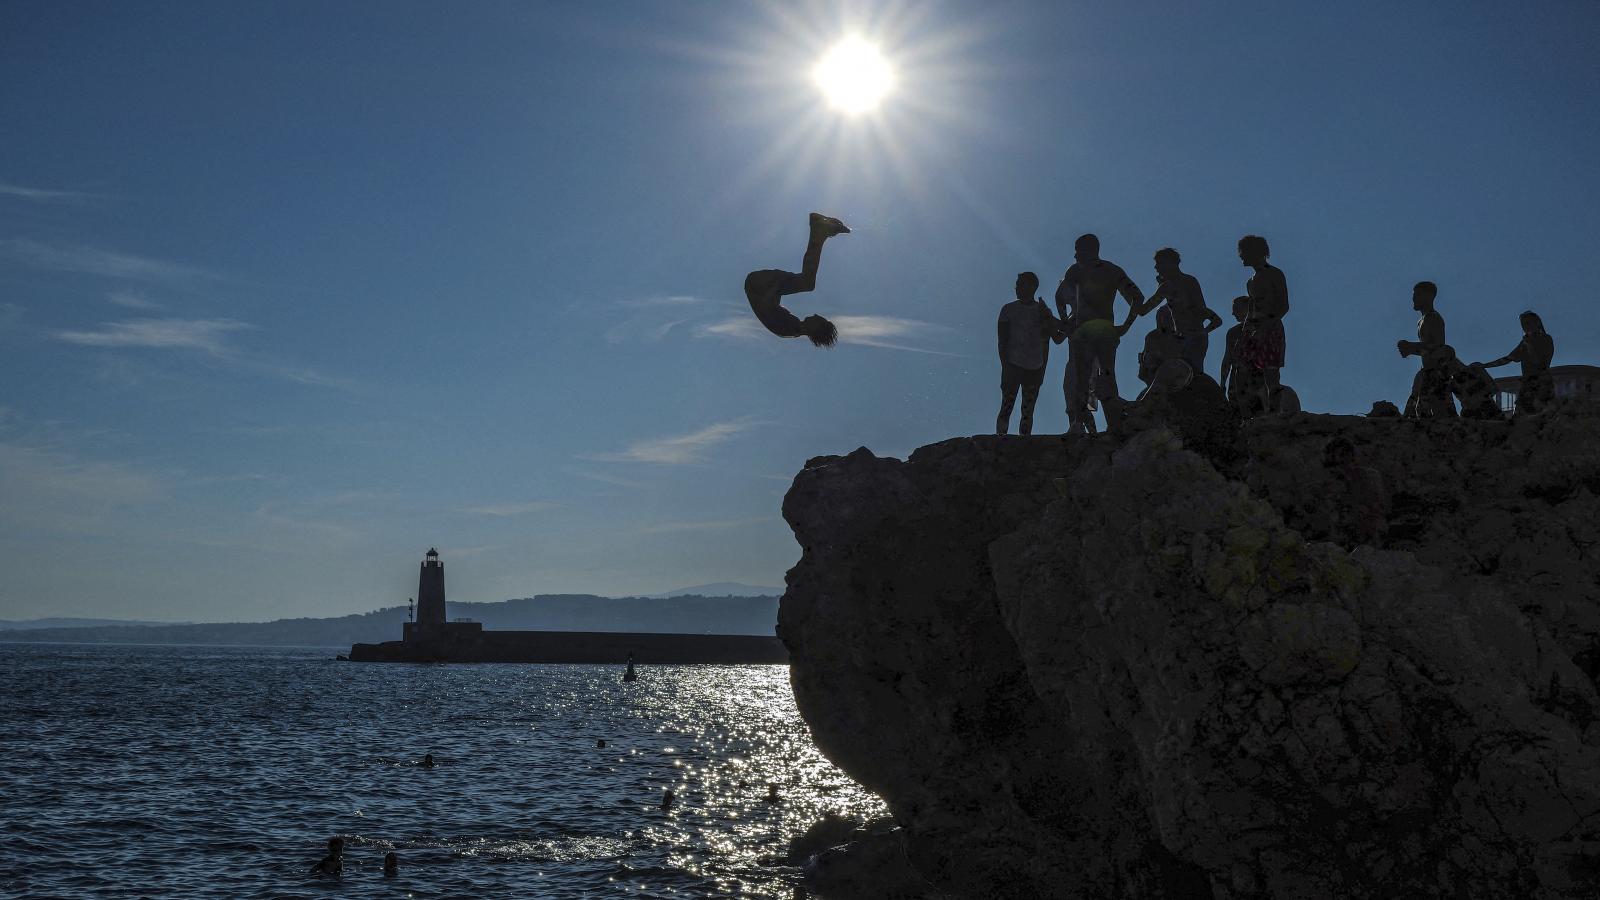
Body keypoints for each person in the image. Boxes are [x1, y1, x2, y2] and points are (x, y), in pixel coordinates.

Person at [1055, 234, 1146, 433]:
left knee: (1090, 379)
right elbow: (1137, 298)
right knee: (1101, 377)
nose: (1076, 255)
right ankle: (1105, 423)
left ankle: (1089, 424)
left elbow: (1059, 297)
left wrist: (1067, 323)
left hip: (1090, 332)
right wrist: (1124, 326)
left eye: (1078, 250)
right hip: (1102, 331)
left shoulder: (1081, 270)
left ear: (1090, 250)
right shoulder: (1110, 271)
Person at [743, 213, 851, 347]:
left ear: (816, 329)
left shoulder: (789, 328)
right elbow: (770, 309)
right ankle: (819, 232)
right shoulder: (793, 327)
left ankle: (819, 230)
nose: (817, 315)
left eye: (820, 320)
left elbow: (767, 308)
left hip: (757, 286)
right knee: (806, 283)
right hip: (758, 286)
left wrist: (776, 287)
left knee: (807, 283)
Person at [1127, 248, 1221, 372]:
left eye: (1159, 263)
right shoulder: (1188, 281)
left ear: (1170, 263)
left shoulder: (1170, 286)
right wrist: (1203, 331)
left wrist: (1133, 296)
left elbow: (1143, 310)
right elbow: (1202, 310)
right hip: (1193, 336)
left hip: (1186, 338)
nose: (1156, 267)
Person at [996, 272, 1060, 435]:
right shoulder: (1008, 310)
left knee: (1027, 410)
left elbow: (1057, 337)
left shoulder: (1042, 311)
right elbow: (1002, 341)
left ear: (1032, 287)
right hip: (1013, 364)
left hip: (1034, 367)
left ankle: (1024, 442)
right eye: (1017, 284)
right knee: (1007, 406)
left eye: (1020, 284)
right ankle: (1000, 438)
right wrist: (1005, 365)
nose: (1017, 288)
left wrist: (1050, 318)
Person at [1236, 235, 1289, 411]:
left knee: (1271, 374)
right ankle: (1251, 411)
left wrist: (1266, 327)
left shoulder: (1274, 274)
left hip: (1271, 328)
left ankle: (1274, 412)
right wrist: (1245, 333)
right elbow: (1251, 310)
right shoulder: (1250, 281)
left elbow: (1283, 306)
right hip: (1252, 329)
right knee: (1244, 372)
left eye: (1243, 252)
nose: (1241, 256)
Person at [1474, 311, 1555, 414]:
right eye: (1523, 325)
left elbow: (1538, 362)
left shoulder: (1545, 339)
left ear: (1537, 323)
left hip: (1541, 385)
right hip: (1528, 385)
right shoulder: (1525, 343)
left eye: (1528, 324)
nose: (1525, 327)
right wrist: (1485, 366)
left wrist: (1529, 345)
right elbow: (1508, 359)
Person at [1396, 282, 1454, 418]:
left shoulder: (1433, 318)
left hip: (1436, 374)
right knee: (1417, 410)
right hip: (1427, 373)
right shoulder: (1422, 320)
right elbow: (1429, 348)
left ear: (1429, 296)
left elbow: (1437, 347)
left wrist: (1411, 347)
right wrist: (1412, 349)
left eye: (1418, 295)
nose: (1414, 299)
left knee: (1433, 412)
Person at [1135, 306, 1185, 400]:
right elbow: (1146, 353)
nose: (1163, 321)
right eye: (1161, 318)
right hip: (1153, 367)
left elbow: (1180, 356)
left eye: (1167, 317)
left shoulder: (1179, 338)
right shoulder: (1152, 336)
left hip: (1172, 370)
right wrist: (1146, 360)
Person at [1217, 296, 1250, 409]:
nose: (1232, 313)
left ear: (1247, 308)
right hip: (1236, 379)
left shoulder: (1262, 329)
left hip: (1254, 377)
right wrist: (1222, 384)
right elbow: (1227, 359)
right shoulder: (1233, 333)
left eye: (1236, 309)